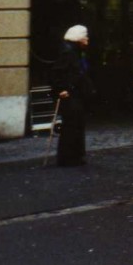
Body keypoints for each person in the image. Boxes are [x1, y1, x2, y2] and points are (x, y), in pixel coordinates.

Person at [50, 24, 93, 167]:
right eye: (85, 36)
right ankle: (69, 157)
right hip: (71, 93)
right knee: (72, 124)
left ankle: (74, 156)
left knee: (76, 124)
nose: (87, 39)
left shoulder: (74, 51)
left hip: (76, 92)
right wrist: (61, 89)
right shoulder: (69, 52)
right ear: (79, 38)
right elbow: (58, 72)